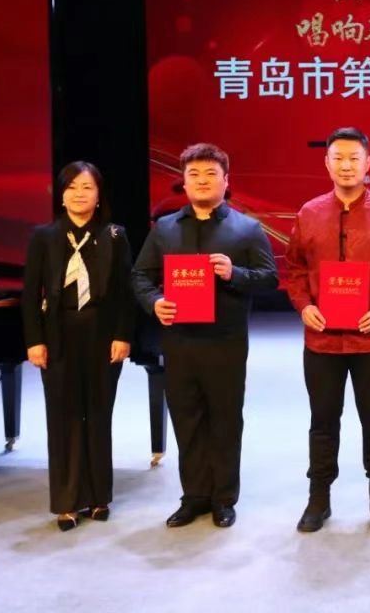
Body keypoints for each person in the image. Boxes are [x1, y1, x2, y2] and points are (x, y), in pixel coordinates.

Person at [132, 142, 278, 529]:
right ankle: (194, 496)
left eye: (211, 174)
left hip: (225, 341)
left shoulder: (247, 229)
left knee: (225, 420)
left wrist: (234, 273)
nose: (201, 180)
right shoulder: (165, 229)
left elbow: (270, 278)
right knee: (187, 418)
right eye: (193, 174)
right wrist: (155, 302)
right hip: (179, 341)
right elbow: (140, 276)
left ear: (226, 181)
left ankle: (224, 498)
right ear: (183, 181)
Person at [285, 127, 370, 533]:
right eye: (338, 158)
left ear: (368, 163)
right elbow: (295, 269)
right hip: (321, 340)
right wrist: (305, 306)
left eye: (354, 158)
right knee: (322, 421)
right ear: (326, 163)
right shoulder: (308, 213)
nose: (346, 165)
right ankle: (318, 498)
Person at [22, 161, 134, 532]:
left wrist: (123, 335)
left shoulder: (115, 235)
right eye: (71, 187)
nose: (79, 194)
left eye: (87, 187)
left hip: (103, 334)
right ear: (61, 195)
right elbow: (30, 294)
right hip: (59, 334)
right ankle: (67, 502)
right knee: (63, 417)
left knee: (99, 414)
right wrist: (35, 340)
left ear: (99, 195)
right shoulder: (44, 236)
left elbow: (125, 292)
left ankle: (100, 496)